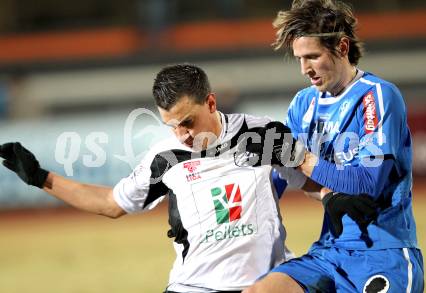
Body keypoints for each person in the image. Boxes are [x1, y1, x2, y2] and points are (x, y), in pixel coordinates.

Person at [0, 64, 317, 293]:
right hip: (193, 287)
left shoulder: (264, 133)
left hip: (267, 284)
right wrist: (41, 178)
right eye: (171, 126)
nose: (182, 135)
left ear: (211, 102)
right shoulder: (165, 157)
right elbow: (111, 203)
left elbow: (316, 184)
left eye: (188, 122)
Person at [243, 0, 424, 292]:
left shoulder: (376, 97)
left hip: (383, 252)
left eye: (312, 56)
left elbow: (367, 183)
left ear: (341, 47)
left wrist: (300, 157)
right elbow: (280, 173)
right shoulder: (304, 103)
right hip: (329, 251)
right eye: (299, 58)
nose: (304, 68)